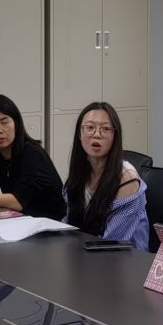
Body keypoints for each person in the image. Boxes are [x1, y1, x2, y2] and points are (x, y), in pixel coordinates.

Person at [65, 102, 149, 249]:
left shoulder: (127, 180)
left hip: (124, 258)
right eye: (90, 128)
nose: (97, 134)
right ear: (80, 134)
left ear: (115, 136)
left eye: (105, 129)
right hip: (85, 252)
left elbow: (112, 243)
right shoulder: (80, 172)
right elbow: (70, 222)